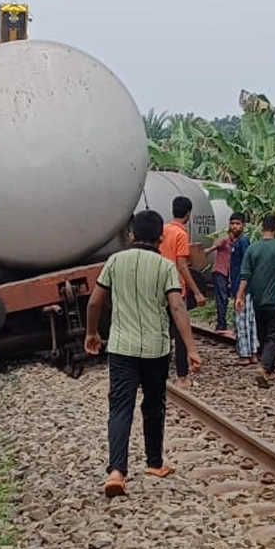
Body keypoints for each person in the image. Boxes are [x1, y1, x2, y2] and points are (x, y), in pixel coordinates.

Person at [85, 210, 202, 498]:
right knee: (153, 404)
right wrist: (191, 347)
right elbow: (177, 308)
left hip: (122, 348)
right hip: (155, 350)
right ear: (161, 238)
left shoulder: (115, 261)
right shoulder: (166, 268)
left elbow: (95, 302)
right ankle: (154, 463)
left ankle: (116, 472)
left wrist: (91, 333)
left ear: (131, 235)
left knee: (120, 407)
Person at [159, 196, 206, 389]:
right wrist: (196, 291)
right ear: (188, 214)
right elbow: (182, 265)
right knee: (180, 333)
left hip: (159, 287)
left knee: (161, 331)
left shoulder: (162, 230)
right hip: (176, 289)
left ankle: (158, 372)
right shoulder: (181, 234)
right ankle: (182, 376)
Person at [236, 215, 275, 368]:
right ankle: (265, 367)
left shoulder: (252, 248)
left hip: (257, 300)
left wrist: (239, 296)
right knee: (274, 336)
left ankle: (268, 368)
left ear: (262, 228)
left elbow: (245, 275)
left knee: (262, 334)